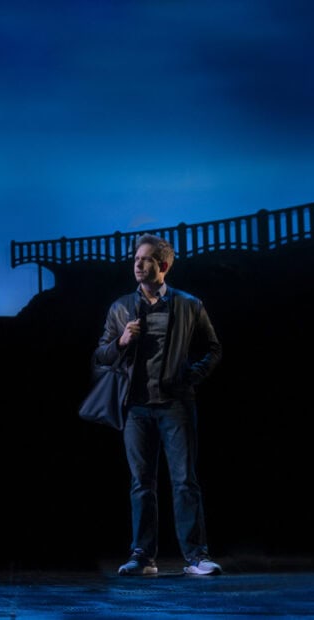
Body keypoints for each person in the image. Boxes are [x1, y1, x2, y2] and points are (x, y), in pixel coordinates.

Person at [92, 233, 223, 577]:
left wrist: (190, 376)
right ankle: (142, 556)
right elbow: (101, 355)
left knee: (184, 481)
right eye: (136, 259)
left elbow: (213, 348)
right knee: (141, 483)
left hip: (175, 405)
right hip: (136, 408)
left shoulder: (189, 304)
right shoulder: (121, 307)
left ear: (162, 265)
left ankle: (196, 557)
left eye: (145, 259)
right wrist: (121, 341)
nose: (137, 264)